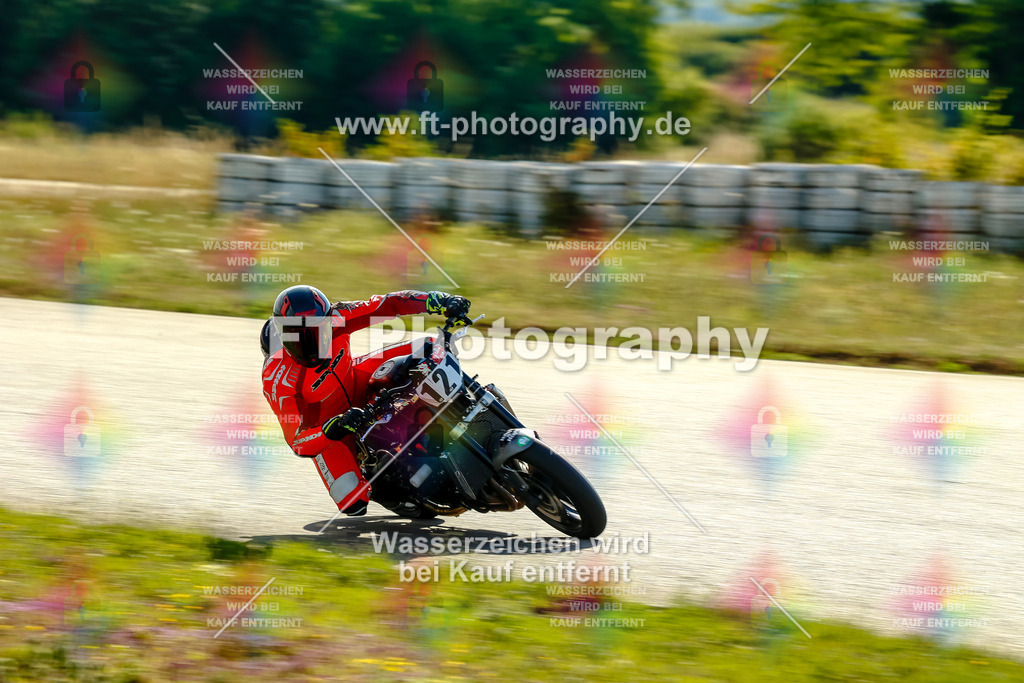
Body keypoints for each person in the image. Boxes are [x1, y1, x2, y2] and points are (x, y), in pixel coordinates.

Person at [260, 285, 470, 516]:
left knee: (431, 346)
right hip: (331, 428)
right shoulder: (277, 378)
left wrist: (438, 300)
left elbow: (388, 304)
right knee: (353, 502)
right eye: (298, 336)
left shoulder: (340, 316)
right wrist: (335, 427)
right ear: (282, 334)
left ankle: (462, 401)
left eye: (319, 331)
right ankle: (386, 483)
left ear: (329, 320)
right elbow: (297, 441)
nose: (311, 343)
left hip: (357, 378)